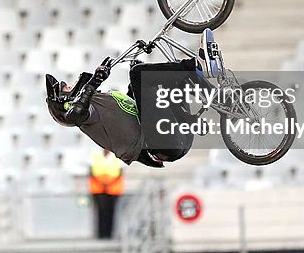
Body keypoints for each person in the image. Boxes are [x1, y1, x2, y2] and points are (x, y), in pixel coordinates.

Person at [45, 57, 202, 169]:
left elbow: (132, 106)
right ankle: (191, 66)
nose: (72, 84)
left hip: (178, 137)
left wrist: (135, 81)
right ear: (67, 100)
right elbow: (76, 113)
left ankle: (213, 94)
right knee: (139, 73)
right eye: (68, 88)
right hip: (164, 143)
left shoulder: (102, 99)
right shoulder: (88, 115)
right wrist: (94, 81)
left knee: (162, 78)